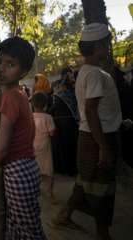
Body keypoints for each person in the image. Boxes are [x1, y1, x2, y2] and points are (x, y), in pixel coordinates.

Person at [0, 36, 46, 239]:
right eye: (0, 61)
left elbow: (3, 150)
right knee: (20, 226)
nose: (2, 68)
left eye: (10, 64)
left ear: (23, 72)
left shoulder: (11, 97)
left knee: (27, 231)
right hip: (25, 168)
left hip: (18, 171)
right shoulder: (18, 94)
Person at [53, 23, 122, 240]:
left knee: (86, 181)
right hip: (98, 137)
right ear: (98, 46)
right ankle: (103, 234)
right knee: (102, 188)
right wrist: (104, 147)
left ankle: (65, 215)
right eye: (106, 45)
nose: (108, 49)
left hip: (89, 135)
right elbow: (91, 110)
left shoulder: (86, 71)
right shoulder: (93, 74)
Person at [51, 67, 79, 175]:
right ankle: (69, 169)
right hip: (65, 122)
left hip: (69, 121)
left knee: (70, 145)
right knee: (67, 145)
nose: (71, 76)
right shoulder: (61, 88)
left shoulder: (72, 87)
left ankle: (71, 169)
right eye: (69, 73)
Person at [32, 92, 56, 201]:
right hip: (45, 147)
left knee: (34, 169)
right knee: (48, 170)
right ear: (46, 105)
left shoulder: (30, 116)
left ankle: (34, 190)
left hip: (32, 146)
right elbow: (52, 133)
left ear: (33, 104)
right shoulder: (48, 117)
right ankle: (49, 192)